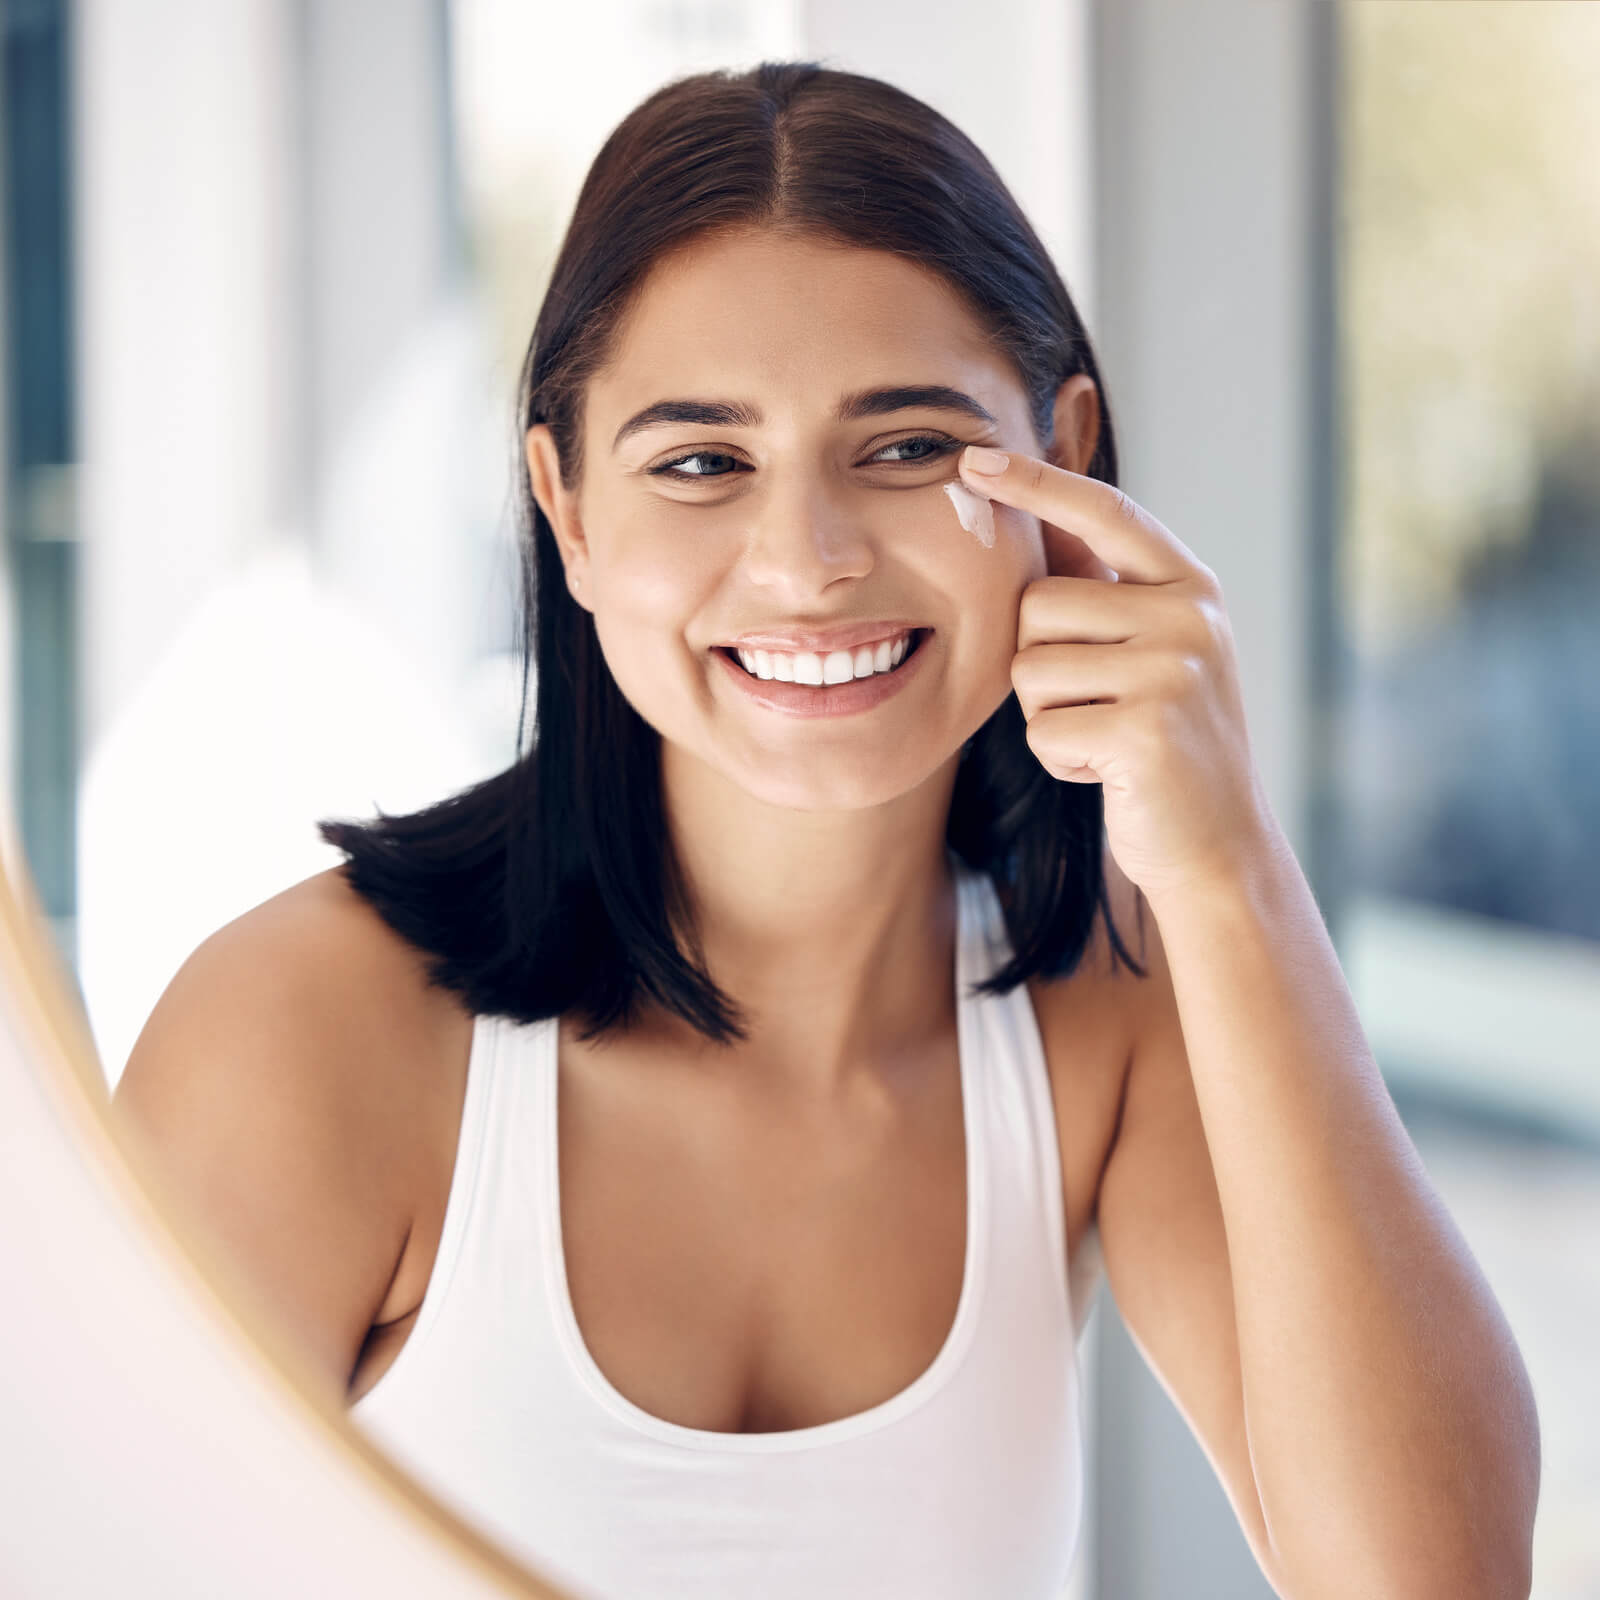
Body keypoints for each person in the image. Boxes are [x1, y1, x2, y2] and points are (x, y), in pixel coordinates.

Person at [113, 59, 1539, 1600]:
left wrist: (1231, 867)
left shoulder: (1105, 1013)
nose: (807, 563)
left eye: (912, 447)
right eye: (702, 464)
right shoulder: (307, 1037)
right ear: (569, 508)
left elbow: (1433, 1578)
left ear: (1062, 455)